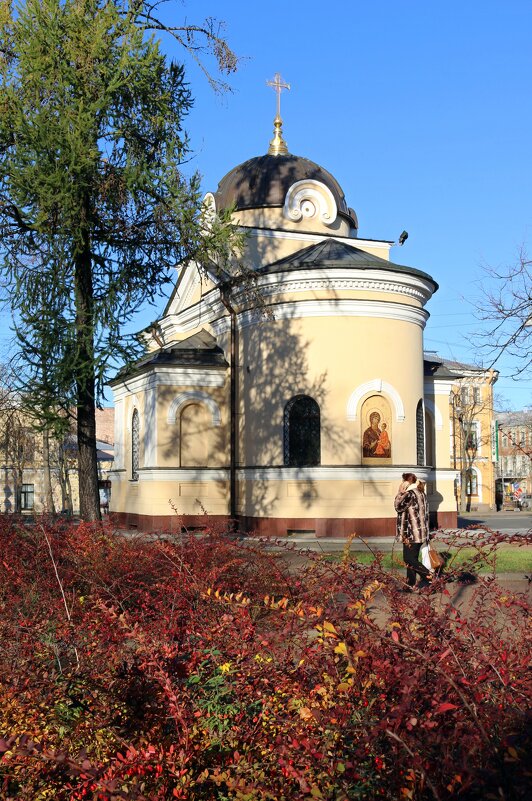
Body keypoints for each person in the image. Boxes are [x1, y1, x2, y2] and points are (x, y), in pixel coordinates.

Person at [394, 472, 432, 590]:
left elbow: (398, 506)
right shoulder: (421, 493)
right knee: (412, 560)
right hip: (420, 533)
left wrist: (400, 492)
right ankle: (410, 585)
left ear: (406, 482)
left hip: (412, 534)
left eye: (403, 481)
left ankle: (429, 576)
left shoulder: (409, 494)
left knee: (409, 559)